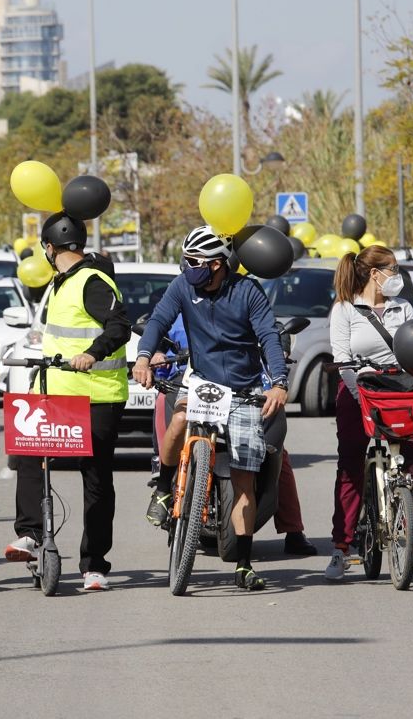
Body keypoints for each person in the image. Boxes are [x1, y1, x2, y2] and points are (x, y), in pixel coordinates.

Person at [133, 226, 288, 591]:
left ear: (218, 265)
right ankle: (167, 487)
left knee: (244, 482)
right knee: (180, 418)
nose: (187, 267)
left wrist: (279, 383)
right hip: (201, 380)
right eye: (184, 260)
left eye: (195, 262)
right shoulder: (183, 286)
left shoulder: (248, 290)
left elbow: (268, 335)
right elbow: (158, 320)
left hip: (245, 386)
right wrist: (143, 356)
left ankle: (244, 564)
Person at [5, 213, 132, 592]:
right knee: (28, 455)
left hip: (96, 395)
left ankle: (94, 565)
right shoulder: (61, 283)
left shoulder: (92, 281)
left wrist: (92, 354)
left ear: (49, 248)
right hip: (56, 393)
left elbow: (119, 326)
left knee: (95, 477)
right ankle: (30, 535)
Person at [145, 314, 317, 556]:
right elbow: (156, 328)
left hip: (243, 385)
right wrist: (155, 353)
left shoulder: (243, 296)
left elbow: (273, 330)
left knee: (276, 450)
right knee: (167, 406)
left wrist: (282, 349)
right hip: (190, 383)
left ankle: (293, 529)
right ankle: (162, 475)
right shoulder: (181, 301)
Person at [325, 245, 413, 582]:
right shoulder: (345, 309)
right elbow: (343, 360)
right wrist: (360, 398)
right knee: (349, 468)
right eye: (393, 269)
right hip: (358, 391)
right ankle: (340, 549)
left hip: (399, 392)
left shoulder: (403, 307)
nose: (398, 276)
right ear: (375, 274)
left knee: (412, 469)